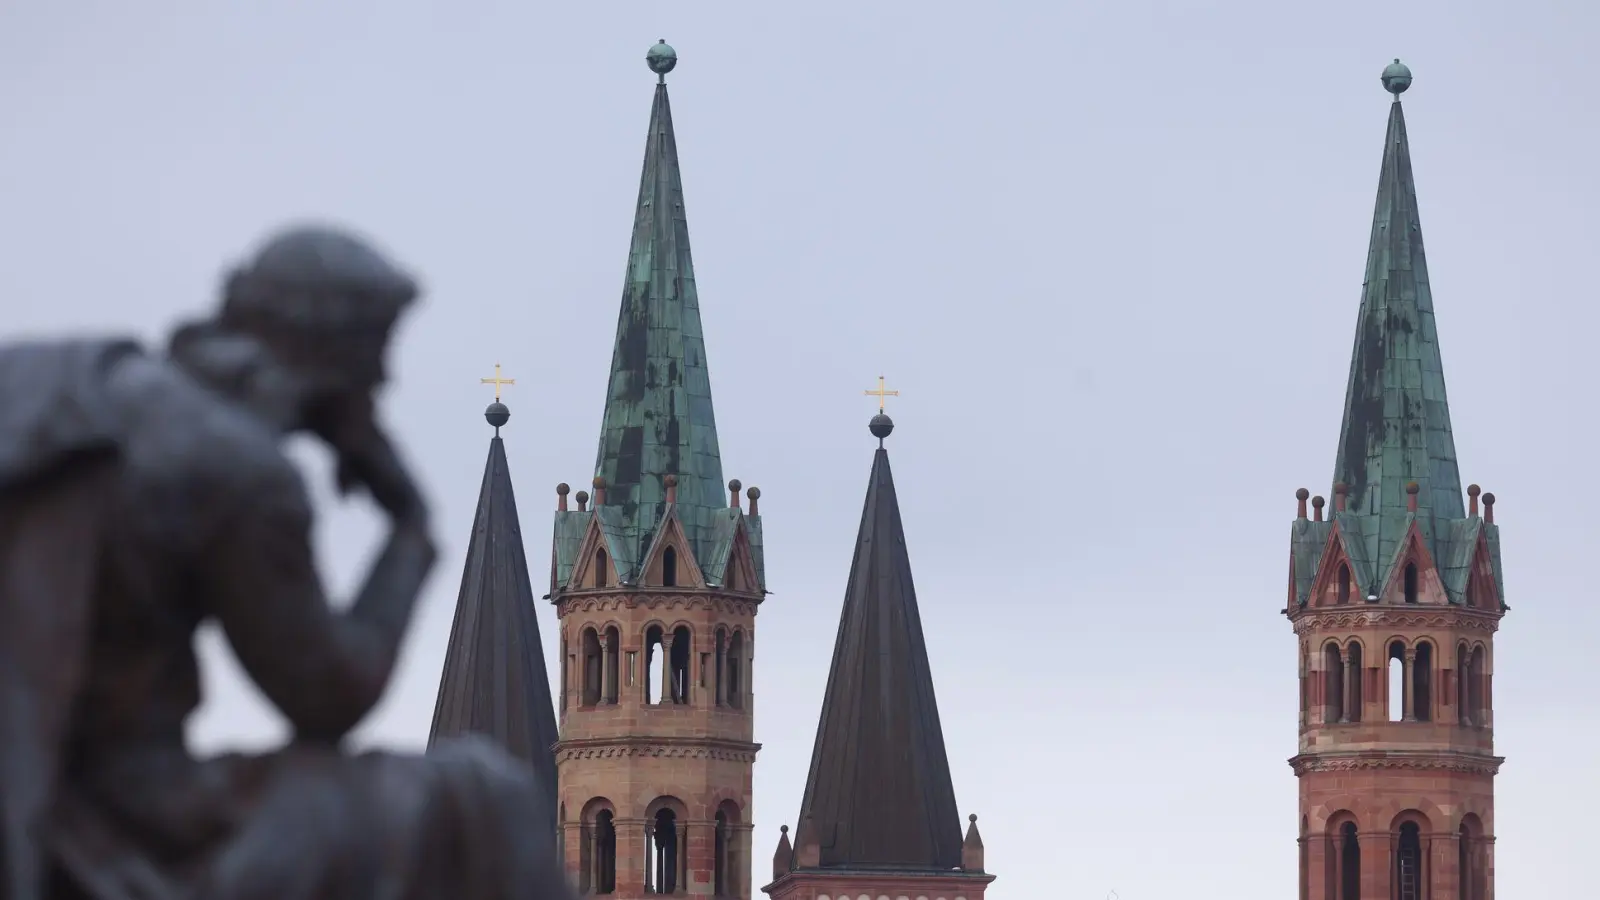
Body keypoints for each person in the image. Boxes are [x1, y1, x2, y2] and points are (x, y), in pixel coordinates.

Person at [0, 226, 572, 900]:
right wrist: (407, 528)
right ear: (330, 355)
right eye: (374, 356)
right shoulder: (240, 470)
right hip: (118, 813)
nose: (383, 379)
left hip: (40, 773)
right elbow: (327, 696)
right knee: (484, 800)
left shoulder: (60, 379)